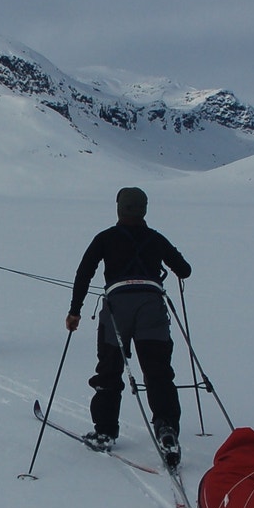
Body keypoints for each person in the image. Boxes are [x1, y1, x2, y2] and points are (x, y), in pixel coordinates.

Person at [65, 186, 191, 469]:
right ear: (144, 209)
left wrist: (75, 311)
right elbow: (184, 269)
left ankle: (105, 431)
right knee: (158, 371)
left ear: (119, 209)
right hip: (151, 307)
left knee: (110, 370)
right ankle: (167, 430)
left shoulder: (105, 238)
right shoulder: (155, 238)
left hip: (116, 309)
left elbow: (84, 272)